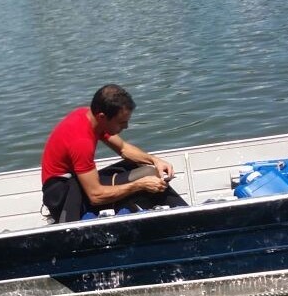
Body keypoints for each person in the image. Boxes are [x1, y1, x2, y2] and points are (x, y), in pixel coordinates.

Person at [40, 84, 188, 223]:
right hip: (63, 195)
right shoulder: (81, 141)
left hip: (77, 182)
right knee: (145, 177)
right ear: (102, 117)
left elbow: (123, 148)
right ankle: (186, 216)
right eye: (122, 122)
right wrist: (139, 185)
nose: (127, 126)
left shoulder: (89, 117)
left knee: (146, 168)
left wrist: (154, 160)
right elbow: (95, 196)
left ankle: (182, 212)